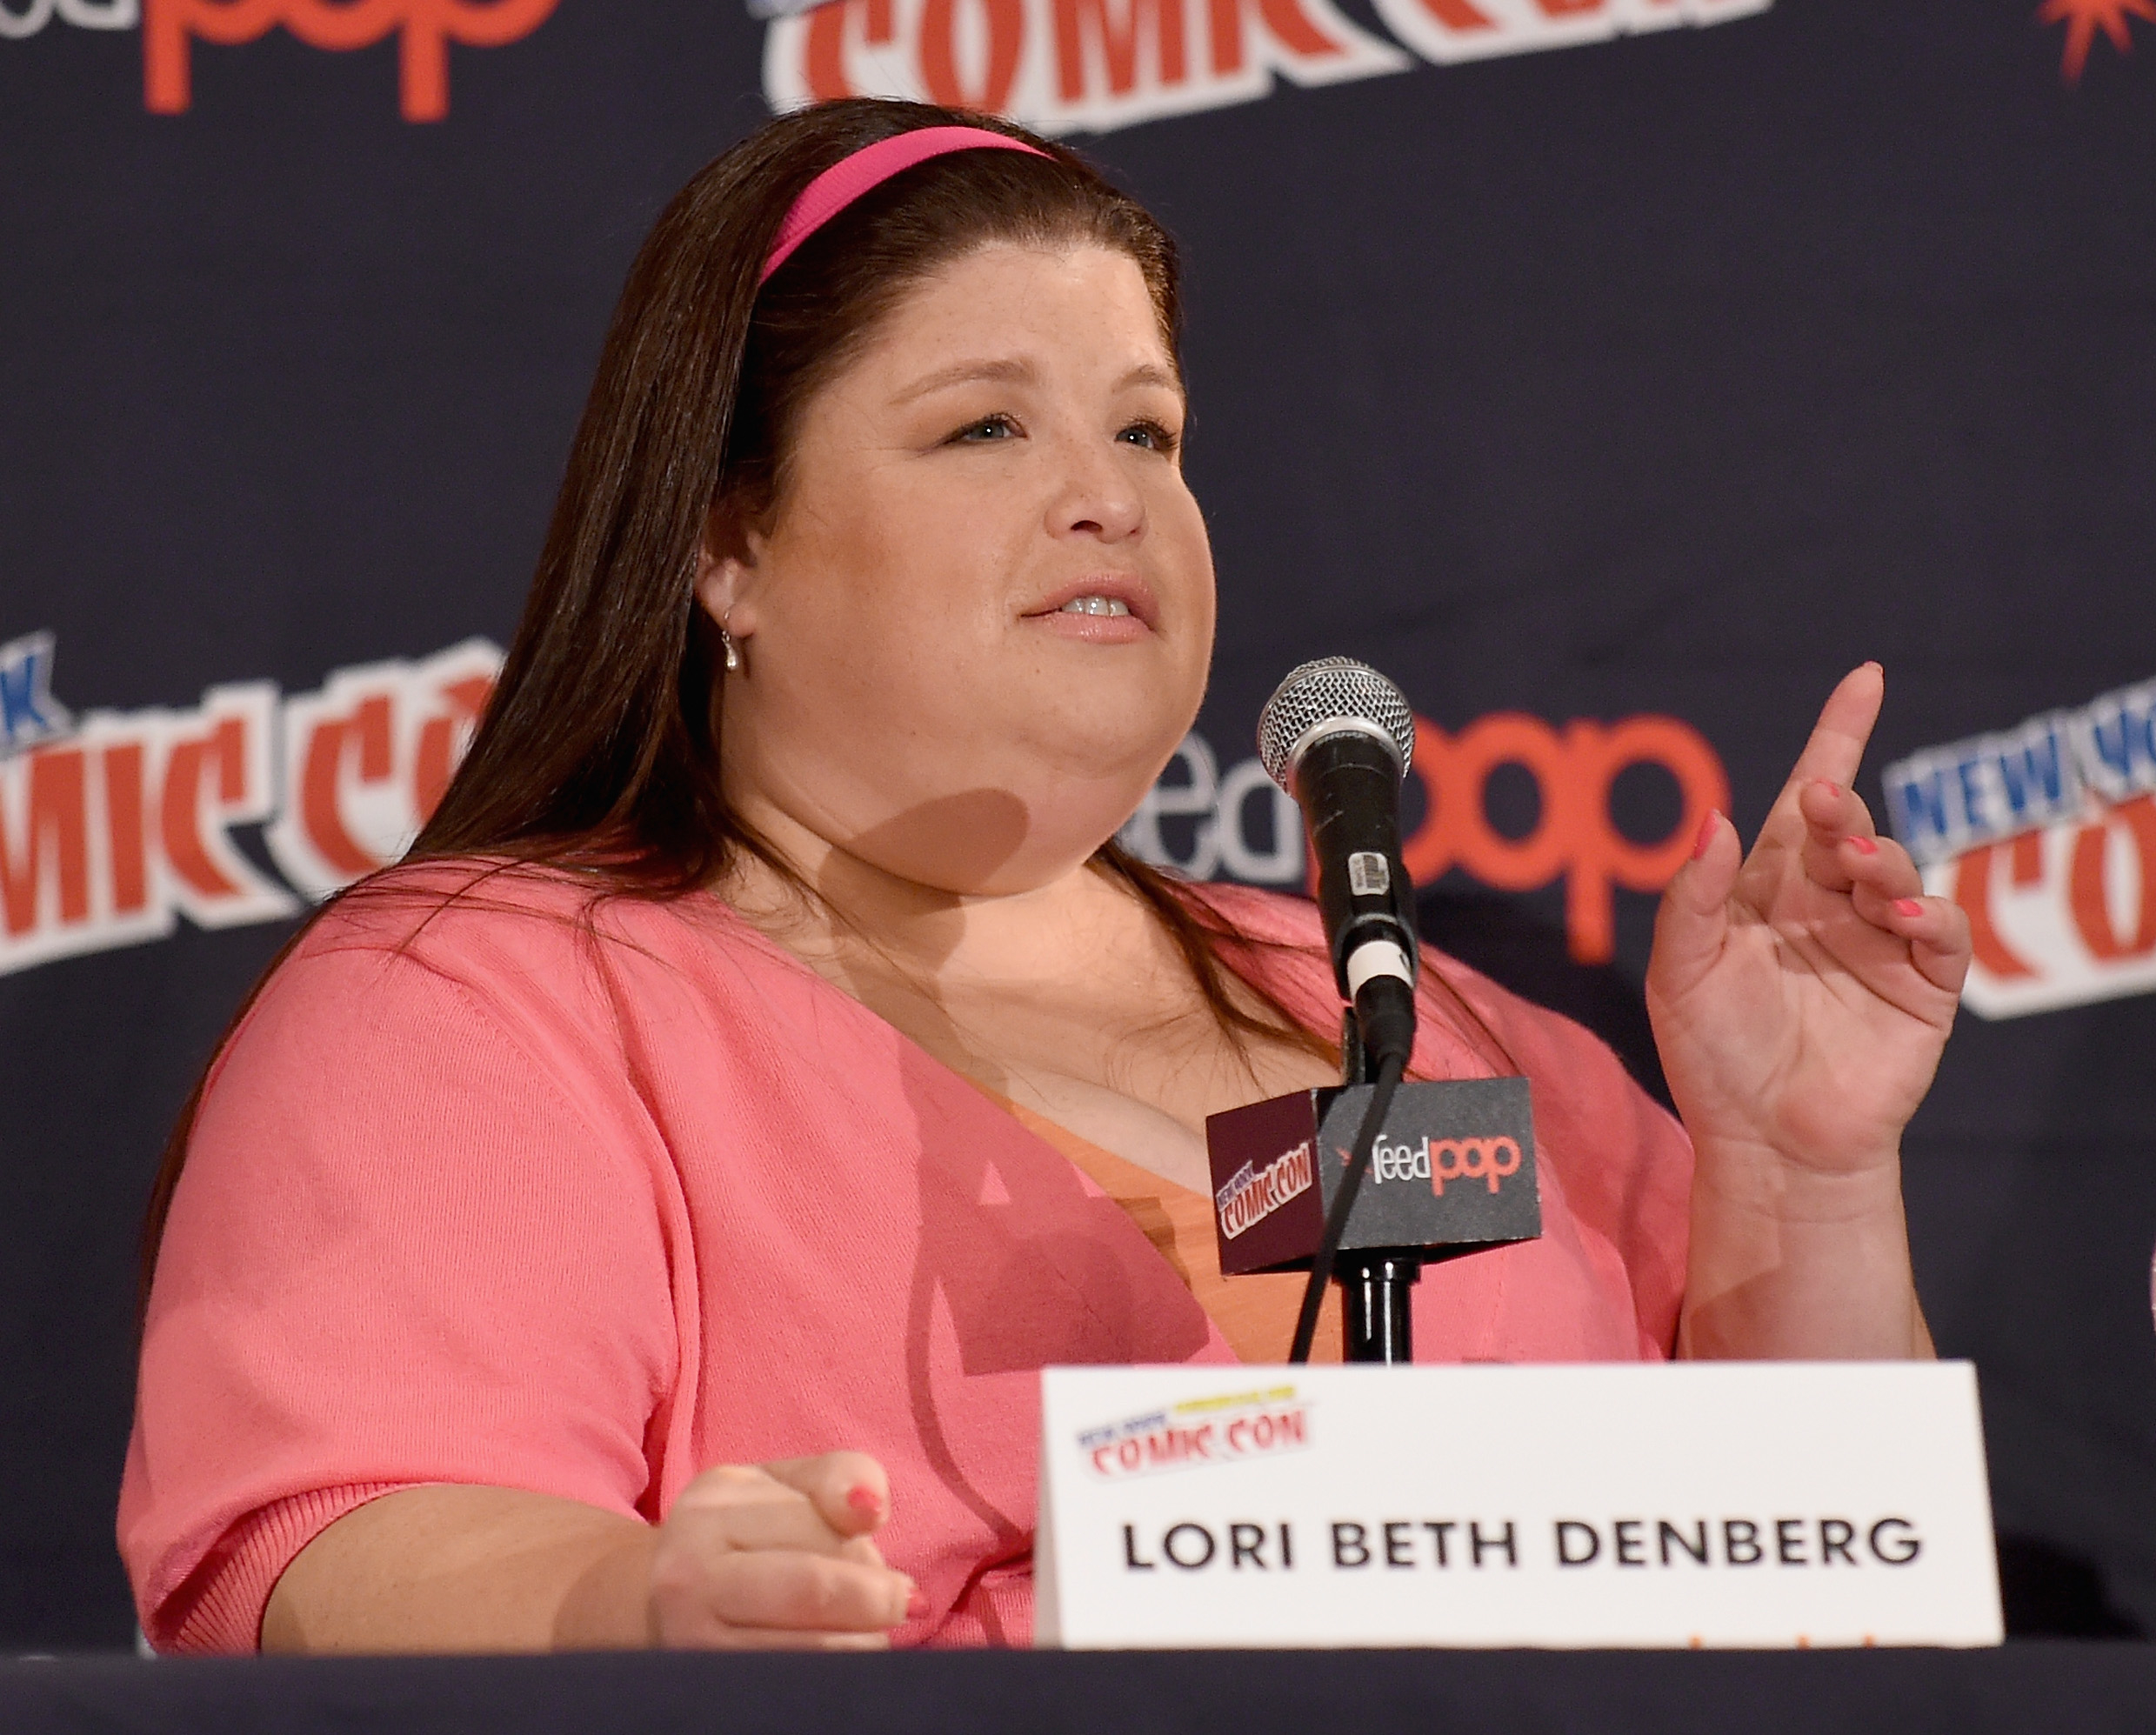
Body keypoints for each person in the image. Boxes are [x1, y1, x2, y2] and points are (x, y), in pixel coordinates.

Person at [117, 101, 1972, 1656]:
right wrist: (632, 1604)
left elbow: (1832, 1569)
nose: (1109, 494)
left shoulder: (1389, 1010)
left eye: (1147, 429)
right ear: (731, 544)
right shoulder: (487, 1003)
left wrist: (1803, 1173)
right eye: (986, 425)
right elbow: (338, 1540)